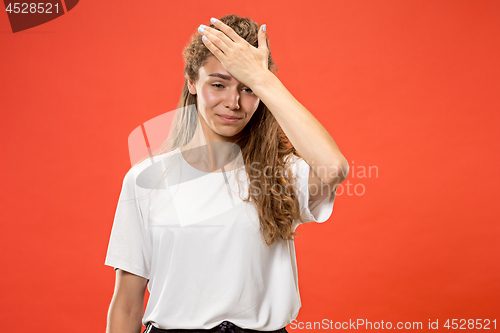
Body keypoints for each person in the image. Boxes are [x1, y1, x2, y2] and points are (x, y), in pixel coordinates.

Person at [105, 14, 349, 333]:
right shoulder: (146, 179)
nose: (233, 103)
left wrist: (264, 78)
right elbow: (126, 303)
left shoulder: (280, 172)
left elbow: (335, 168)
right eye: (218, 84)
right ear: (192, 82)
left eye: (247, 88)